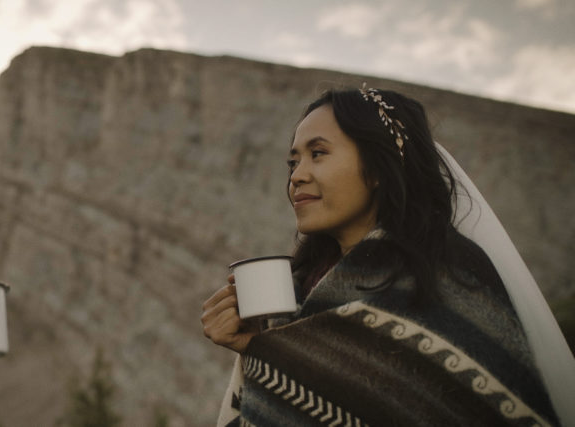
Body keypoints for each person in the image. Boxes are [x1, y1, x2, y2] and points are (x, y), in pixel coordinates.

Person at [201, 86, 575, 426]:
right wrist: (256, 347)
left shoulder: (450, 279)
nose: (297, 175)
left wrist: (277, 355)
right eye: (293, 162)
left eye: (318, 154)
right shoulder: (301, 290)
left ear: (379, 166)